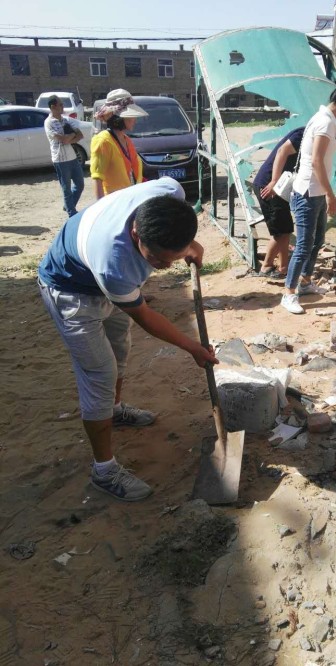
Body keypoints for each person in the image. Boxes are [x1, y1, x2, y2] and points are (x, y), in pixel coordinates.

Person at [38, 178, 218, 502]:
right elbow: (146, 316)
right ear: (136, 233)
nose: (165, 266)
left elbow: (176, 213)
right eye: (159, 260)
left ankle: (115, 410)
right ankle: (103, 470)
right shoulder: (115, 262)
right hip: (71, 291)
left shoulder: (168, 193)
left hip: (102, 280)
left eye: (172, 259)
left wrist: (190, 245)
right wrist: (192, 347)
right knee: (100, 373)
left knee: (120, 348)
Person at [280, 79, 336, 314]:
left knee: (317, 241)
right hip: (308, 192)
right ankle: (288, 293)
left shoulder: (324, 118)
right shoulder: (326, 122)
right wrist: (331, 194)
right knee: (305, 244)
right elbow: (316, 160)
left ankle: (305, 282)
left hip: (314, 192)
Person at [253, 126, 305, 277]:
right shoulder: (302, 135)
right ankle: (267, 267)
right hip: (270, 186)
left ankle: (283, 268)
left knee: (285, 229)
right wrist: (274, 182)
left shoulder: (308, 138)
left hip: (279, 188)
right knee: (280, 231)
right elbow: (282, 152)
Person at [91, 89, 148, 199]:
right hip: (114, 204)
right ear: (119, 118)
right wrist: (102, 210)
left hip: (130, 201)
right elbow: (97, 179)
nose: (134, 119)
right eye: (131, 115)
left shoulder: (126, 139)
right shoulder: (103, 141)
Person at [44, 95, 85, 217]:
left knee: (80, 184)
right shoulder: (49, 123)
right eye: (60, 104)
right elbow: (64, 139)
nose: (63, 107)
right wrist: (72, 135)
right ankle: (71, 212)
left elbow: (80, 135)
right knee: (66, 188)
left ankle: (68, 205)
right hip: (60, 159)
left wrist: (70, 136)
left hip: (72, 157)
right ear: (53, 107)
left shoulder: (65, 120)